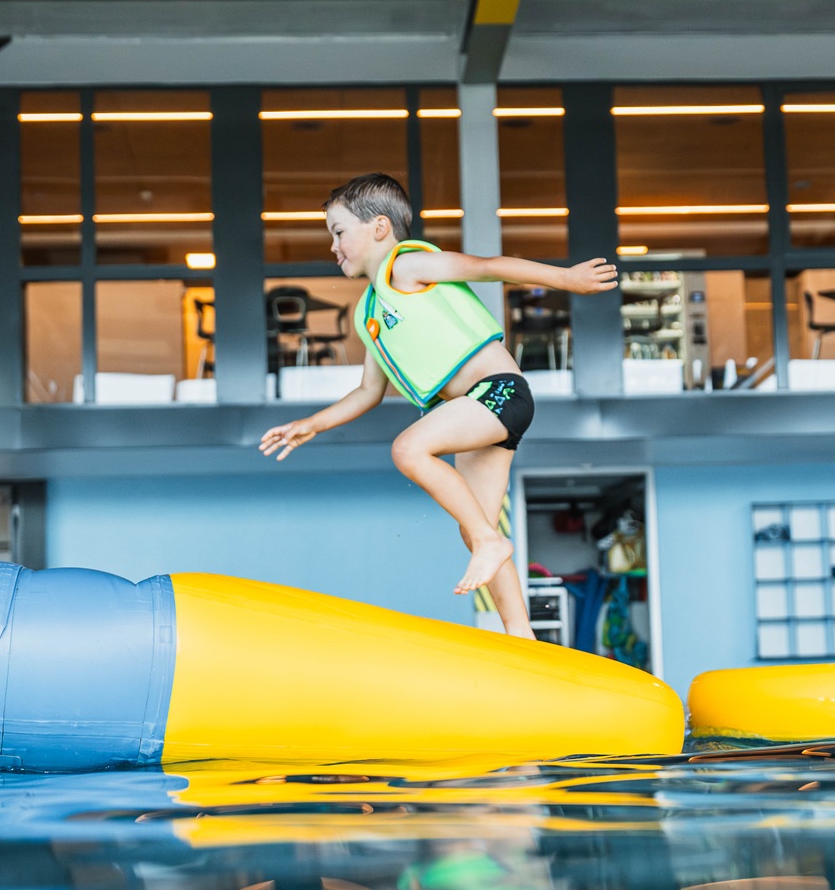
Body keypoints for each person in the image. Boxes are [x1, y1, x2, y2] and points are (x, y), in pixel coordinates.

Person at [258, 174, 617, 638]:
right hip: (479, 410)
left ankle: (491, 543)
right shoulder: (371, 313)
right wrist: (312, 424)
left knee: (410, 451)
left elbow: (487, 266)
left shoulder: (407, 267)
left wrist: (565, 279)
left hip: (497, 392)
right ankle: (522, 637)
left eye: (339, 231)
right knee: (476, 528)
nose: (333, 245)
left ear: (380, 228)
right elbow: (367, 392)